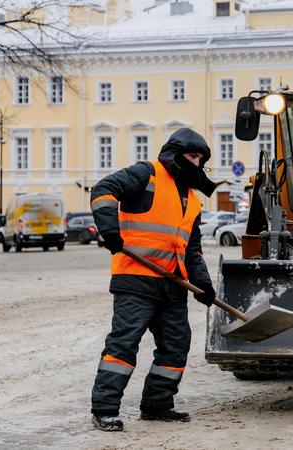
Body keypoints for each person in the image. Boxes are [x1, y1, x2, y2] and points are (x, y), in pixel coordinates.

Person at [88, 128, 218, 431]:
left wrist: (203, 284)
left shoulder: (193, 200)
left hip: (172, 284)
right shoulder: (147, 174)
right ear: (175, 154)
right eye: (192, 156)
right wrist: (110, 232)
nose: (197, 163)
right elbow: (103, 190)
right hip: (136, 278)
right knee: (124, 343)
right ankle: (105, 409)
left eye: (201, 158)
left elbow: (191, 248)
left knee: (175, 346)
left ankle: (158, 404)